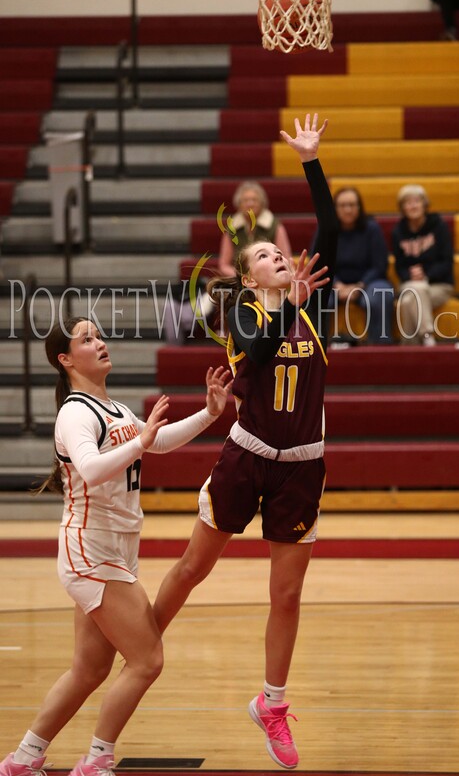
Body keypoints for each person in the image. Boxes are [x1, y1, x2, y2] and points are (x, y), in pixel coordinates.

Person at [153, 113, 336, 770]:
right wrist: (287, 302)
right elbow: (256, 355)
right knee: (193, 567)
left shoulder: (310, 304)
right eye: (262, 255)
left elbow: (332, 230)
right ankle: (139, 643)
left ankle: (273, 703)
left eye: (278, 251)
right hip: (247, 457)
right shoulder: (244, 313)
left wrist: (310, 161)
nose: (277, 256)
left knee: (285, 594)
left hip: (301, 467)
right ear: (249, 275)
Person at [0, 317, 231, 776]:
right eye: (87, 339)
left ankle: (22, 760)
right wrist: (141, 441)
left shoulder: (114, 408)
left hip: (112, 550)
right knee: (147, 660)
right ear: (65, 360)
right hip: (91, 553)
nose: (100, 343)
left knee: (88, 670)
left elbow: (156, 442)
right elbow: (91, 469)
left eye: (99, 335)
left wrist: (209, 414)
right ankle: (97, 760)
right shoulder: (75, 412)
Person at [315, 187, 394, 345]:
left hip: (369, 282)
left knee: (380, 295)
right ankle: (316, 349)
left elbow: (380, 265)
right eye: (343, 205)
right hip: (332, 283)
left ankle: (380, 348)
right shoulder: (325, 230)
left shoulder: (372, 229)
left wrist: (359, 285)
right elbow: (318, 262)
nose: (348, 209)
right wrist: (337, 284)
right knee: (316, 295)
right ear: (335, 208)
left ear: (359, 207)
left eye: (352, 205)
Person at [392, 184, 454, 346]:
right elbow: (399, 266)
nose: (413, 206)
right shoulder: (398, 232)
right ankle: (427, 338)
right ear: (402, 208)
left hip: (439, 285)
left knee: (407, 302)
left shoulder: (439, 226)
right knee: (416, 288)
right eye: (407, 202)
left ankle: (409, 345)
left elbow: (447, 261)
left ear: (425, 204)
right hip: (409, 284)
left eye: (416, 201)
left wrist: (426, 275)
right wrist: (410, 275)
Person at [218, 180, 292, 277]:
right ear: (239, 204)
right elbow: (224, 265)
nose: (250, 204)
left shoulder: (275, 226)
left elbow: (285, 259)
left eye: (254, 200)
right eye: (245, 200)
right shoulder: (232, 228)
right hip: (239, 280)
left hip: (269, 278)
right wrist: (243, 277)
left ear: (262, 203)